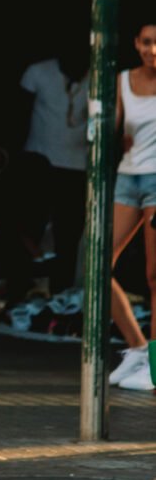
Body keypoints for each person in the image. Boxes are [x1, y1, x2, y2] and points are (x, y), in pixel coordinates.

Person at [5, 44, 89, 302]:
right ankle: (18, 290)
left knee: (68, 234)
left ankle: (59, 294)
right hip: (38, 161)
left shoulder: (98, 77)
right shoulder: (38, 73)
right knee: (30, 226)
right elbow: (17, 114)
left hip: (77, 165)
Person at [108, 22, 156, 392]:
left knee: (155, 275)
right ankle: (138, 346)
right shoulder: (123, 81)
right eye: (147, 42)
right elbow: (117, 129)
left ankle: (154, 365)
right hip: (128, 178)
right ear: (137, 44)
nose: (153, 49)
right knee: (96, 268)